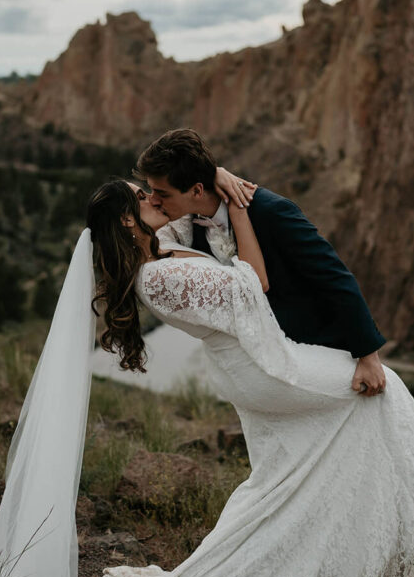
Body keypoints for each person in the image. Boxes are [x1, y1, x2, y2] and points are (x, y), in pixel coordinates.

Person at [88, 178, 414, 577]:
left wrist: (219, 176)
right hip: (267, 369)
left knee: (281, 475)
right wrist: (242, 214)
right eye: (142, 196)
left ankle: (343, 551)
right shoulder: (161, 278)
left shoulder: (161, 246)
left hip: (254, 363)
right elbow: (254, 281)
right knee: (376, 388)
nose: (154, 197)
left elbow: (189, 209)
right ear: (127, 220)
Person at [136, 128, 388, 398]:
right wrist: (217, 171)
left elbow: (333, 276)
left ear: (197, 190)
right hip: (265, 361)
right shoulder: (187, 224)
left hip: (319, 345)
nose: (153, 200)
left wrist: (368, 356)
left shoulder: (271, 211)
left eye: (162, 193)